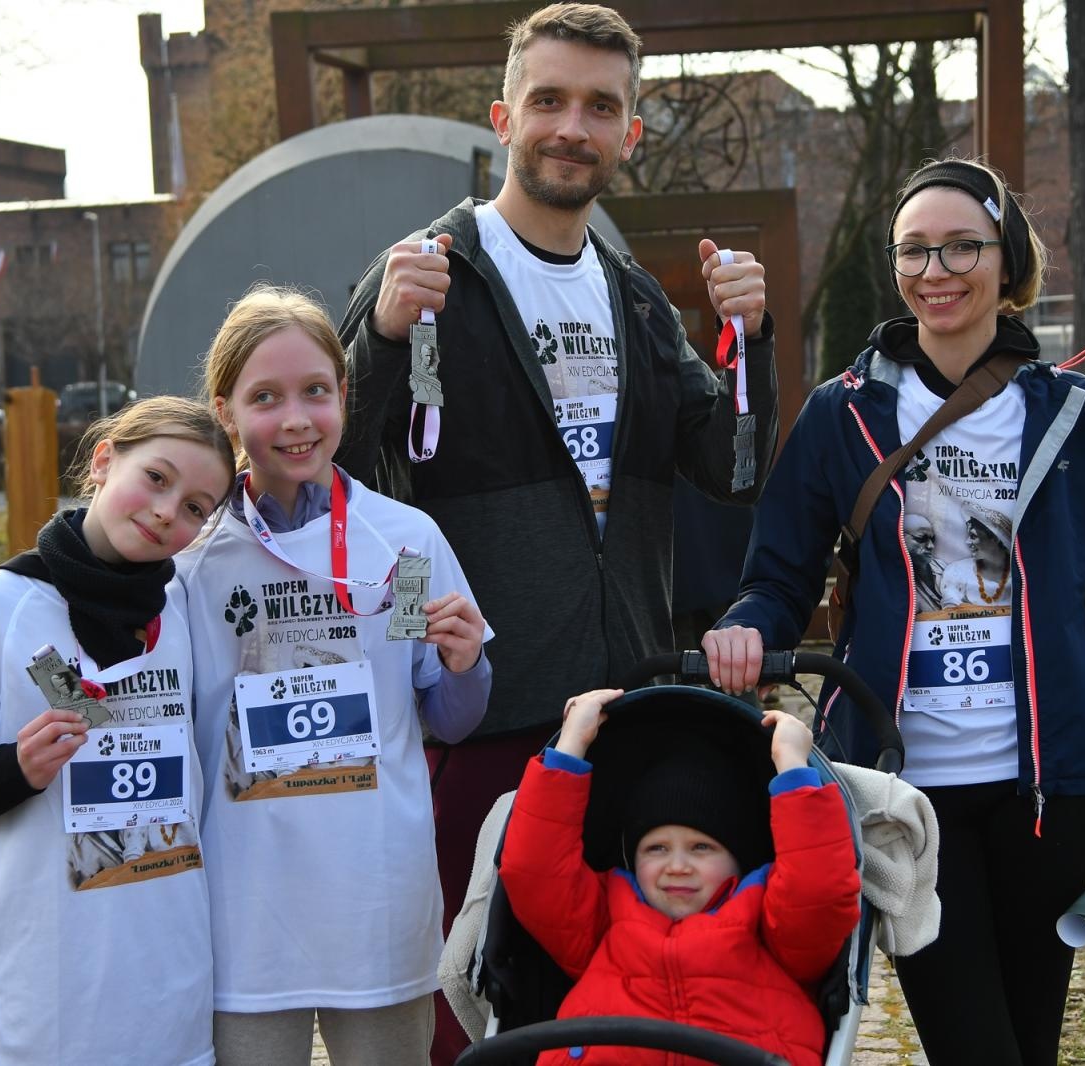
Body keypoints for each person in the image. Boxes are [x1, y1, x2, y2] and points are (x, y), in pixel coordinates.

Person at [335, 6, 778, 1059]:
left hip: (617, 708)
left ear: (628, 132)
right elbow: (346, 468)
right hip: (478, 709)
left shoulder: (630, 295)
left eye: (600, 107)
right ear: (503, 116)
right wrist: (386, 337)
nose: (571, 126)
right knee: (475, 1000)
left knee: (613, 1005)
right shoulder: (429, 273)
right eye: (549, 100)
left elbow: (729, 464)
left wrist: (753, 341)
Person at [702, 157, 1085, 1066]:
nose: (937, 270)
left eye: (963, 246)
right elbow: (778, 580)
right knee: (973, 1044)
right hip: (902, 790)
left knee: (1030, 1041)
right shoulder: (843, 415)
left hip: (1052, 789)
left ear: (1007, 261)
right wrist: (746, 630)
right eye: (914, 251)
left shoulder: (1079, 416)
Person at [180, 286, 492, 1066]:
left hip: (375, 896)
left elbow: (450, 718)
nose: (294, 420)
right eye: (265, 398)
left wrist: (465, 663)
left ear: (345, 397)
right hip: (246, 908)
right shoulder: (191, 561)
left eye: (315, 391)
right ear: (224, 412)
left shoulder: (405, 540)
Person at [0, 396, 237, 1066]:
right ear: (104, 461)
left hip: (166, 985)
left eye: (196, 507)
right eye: (157, 478)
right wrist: (13, 770)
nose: (168, 511)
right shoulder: (1, 605)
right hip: (35, 993)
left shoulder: (185, 607)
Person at [498, 689, 860, 1066]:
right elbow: (535, 871)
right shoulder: (601, 920)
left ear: (739, 857)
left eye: (701, 848)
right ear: (632, 857)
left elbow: (819, 891)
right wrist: (572, 743)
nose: (677, 866)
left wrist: (792, 766)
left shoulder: (771, 926)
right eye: (656, 849)